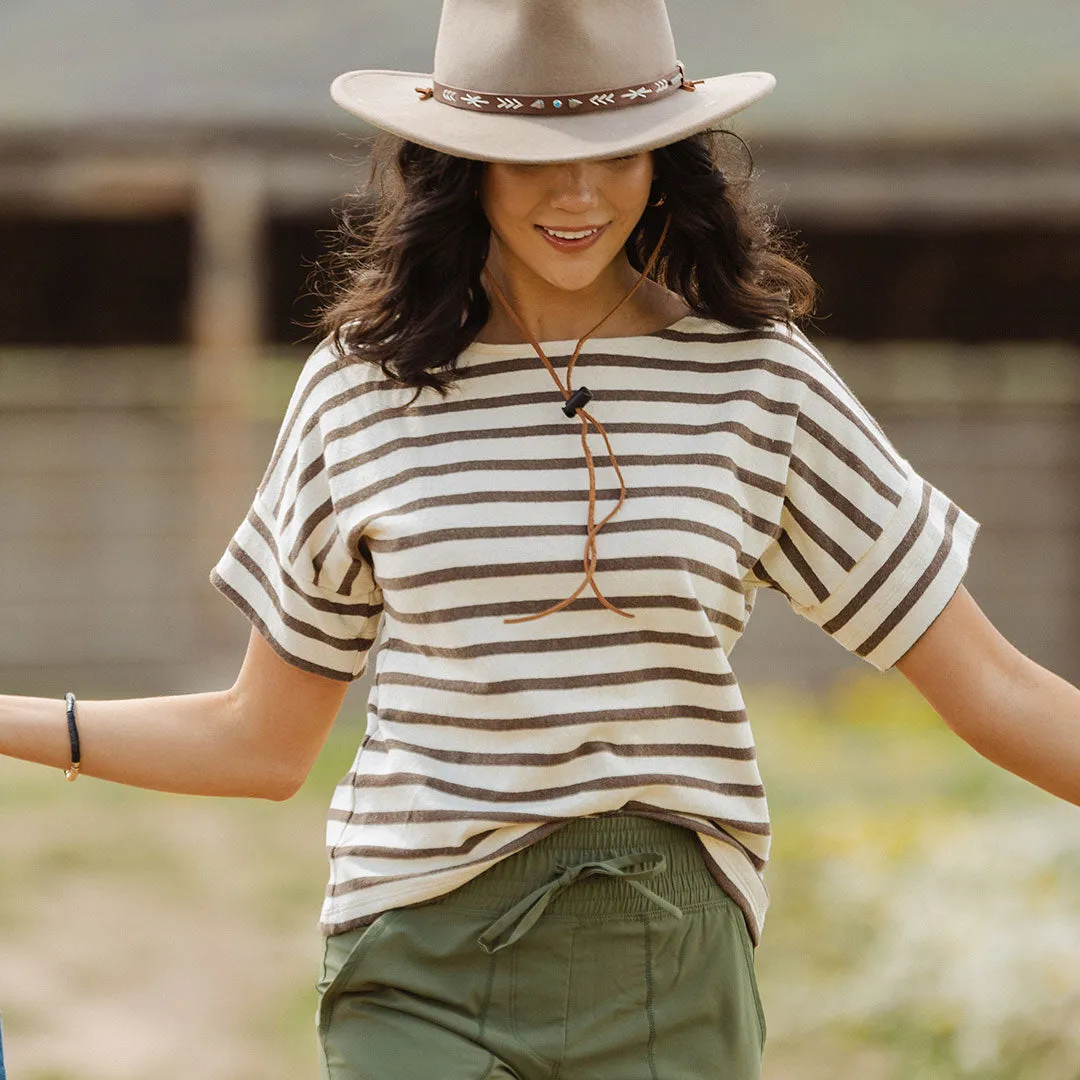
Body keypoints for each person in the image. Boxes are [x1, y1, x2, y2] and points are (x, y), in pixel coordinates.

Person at [3, 1, 1080, 1077]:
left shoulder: (760, 380)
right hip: (416, 967)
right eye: (530, 157)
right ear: (459, 166)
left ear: (668, 159)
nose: (578, 194)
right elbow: (261, 742)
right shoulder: (360, 389)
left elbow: (995, 689)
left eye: (617, 154)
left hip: (666, 962)